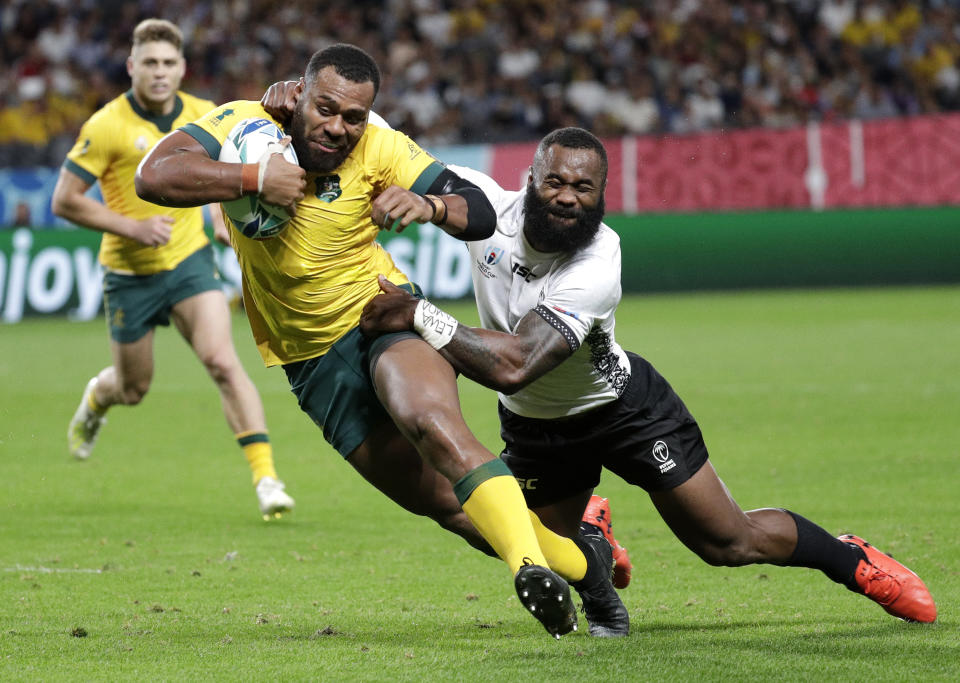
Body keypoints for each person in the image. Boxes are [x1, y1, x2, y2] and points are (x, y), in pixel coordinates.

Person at [135, 43, 626, 639]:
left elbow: (479, 212)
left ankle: (532, 571)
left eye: (354, 117)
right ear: (299, 97)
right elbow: (154, 175)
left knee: (432, 422)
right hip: (310, 362)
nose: (339, 128)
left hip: (384, 314)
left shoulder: (380, 147)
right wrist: (251, 178)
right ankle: (587, 569)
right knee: (448, 506)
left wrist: (429, 204)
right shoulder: (242, 124)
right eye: (326, 109)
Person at [358, 127, 938, 625]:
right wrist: (285, 105)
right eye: (555, 182)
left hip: (623, 410)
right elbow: (376, 133)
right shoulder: (486, 203)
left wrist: (418, 314)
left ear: (602, 195)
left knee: (727, 542)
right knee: (514, 535)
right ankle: (593, 538)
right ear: (530, 179)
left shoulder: (597, 261)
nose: (567, 199)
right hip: (537, 427)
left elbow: (515, 365)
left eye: (584, 189)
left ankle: (850, 559)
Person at [51, 19, 295, 520]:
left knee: (223, 363)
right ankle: (99, 398)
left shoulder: (206, 115)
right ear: (131, 67)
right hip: (129, 273)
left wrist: (223, 225)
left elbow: (208, 182)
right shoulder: (105, 126)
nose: (159, 73)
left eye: (168, 64)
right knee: (133, 389)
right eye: (150, 63)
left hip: (188, 263)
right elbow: (65, 201)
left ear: (181, 68)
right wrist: (130, 228)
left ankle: (267, 479)